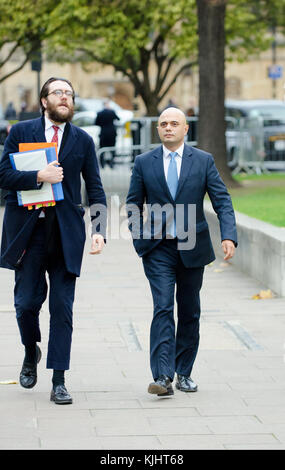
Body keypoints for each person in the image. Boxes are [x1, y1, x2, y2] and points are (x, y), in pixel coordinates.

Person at [0, 77, 107, 405]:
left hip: (65, 234)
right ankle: (30, 349)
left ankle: (59, 379)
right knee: (25, 306)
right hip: (28, 233)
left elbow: (95, 188)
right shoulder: (21, 133)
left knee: (62, 308)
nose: (65, 98)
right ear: (44, 101)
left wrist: (99, 229)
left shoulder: (83, 140)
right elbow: (2, 175)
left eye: (70, 94)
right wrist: (37, 177)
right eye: (59, 92)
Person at [126, 107, 237, 397]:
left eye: (174, 123)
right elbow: (133, 205)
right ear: (158, 129)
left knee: (189, 310)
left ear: (186, 129)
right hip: (157, 247)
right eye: (163, 124)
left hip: (192, 246)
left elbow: (222, 200)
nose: (168, 128)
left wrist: (229, 236)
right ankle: (163, 376)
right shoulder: (143, 162)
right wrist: (140, 239)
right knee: (163, 307)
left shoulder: (202, 161)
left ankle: (184, 372)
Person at [95, 100, 120, 168]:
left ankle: (102, 165)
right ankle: (112, 164)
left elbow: (96, 123)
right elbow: (118, 119)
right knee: (112, 149)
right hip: (112, 133)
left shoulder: (100, 113)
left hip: (103, 133)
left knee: (102, 149)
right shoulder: (112, 112)